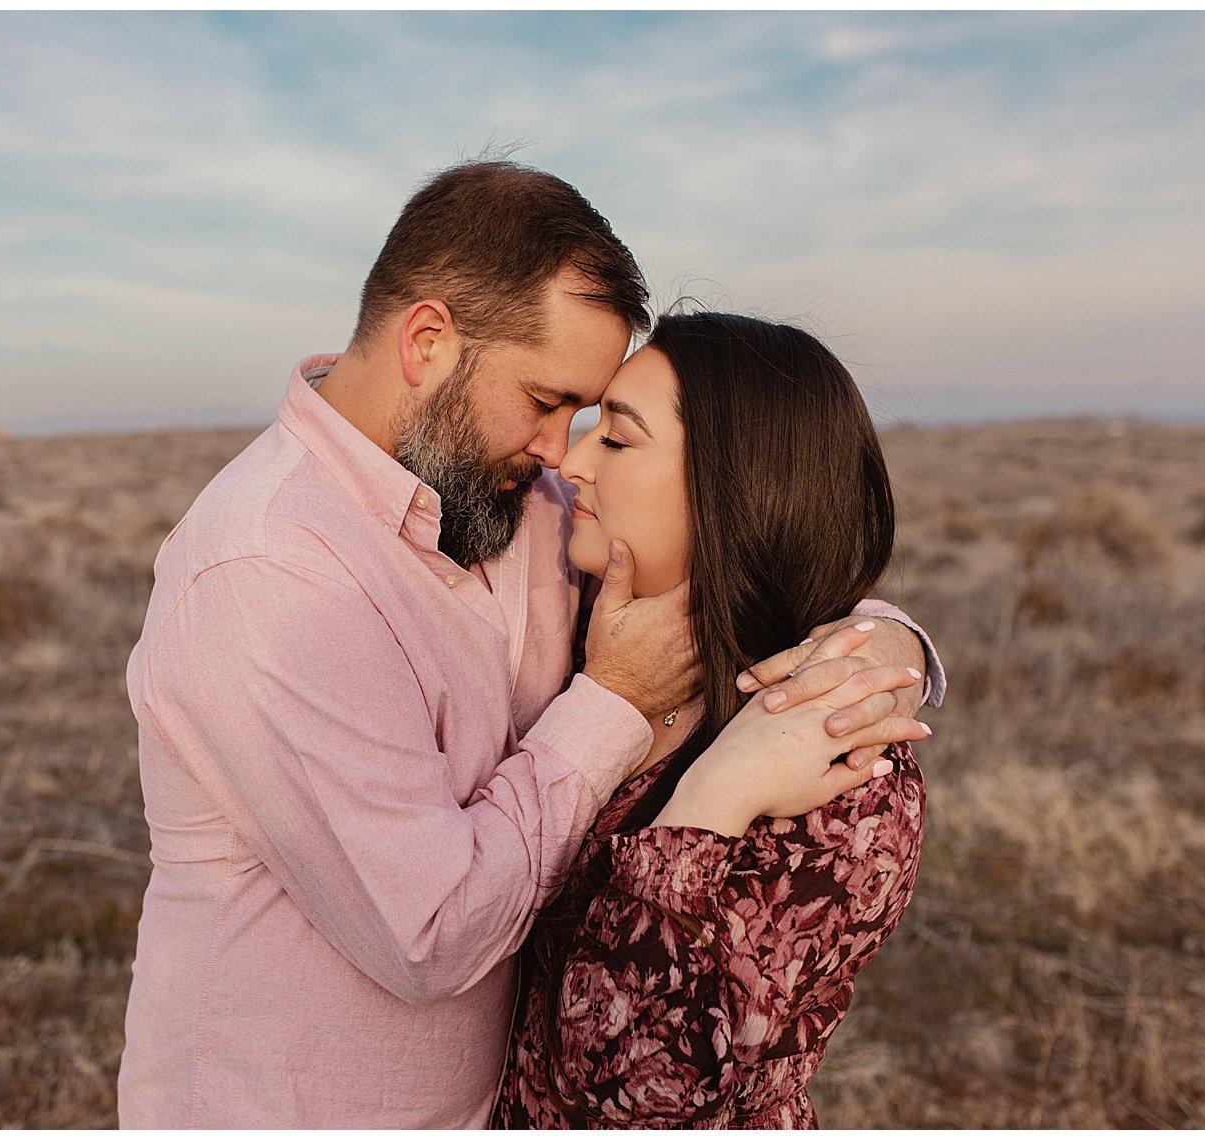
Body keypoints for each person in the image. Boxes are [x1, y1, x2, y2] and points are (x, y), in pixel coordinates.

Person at [118, 161, 942, 1128]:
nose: (563, 452)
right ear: (427, 342)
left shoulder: (516, 499)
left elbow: (744, 546)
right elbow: (430, 935)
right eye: (546, 401)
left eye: (592, 419)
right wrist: (609, 707)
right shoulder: (268, 574)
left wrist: (882, 649)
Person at [494, 312, 930, 1129]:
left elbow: (636, 1089)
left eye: (617, 441)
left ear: (737, 483)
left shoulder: (842, 768)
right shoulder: (582, 629)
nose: (571, 464)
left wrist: (712, 801)